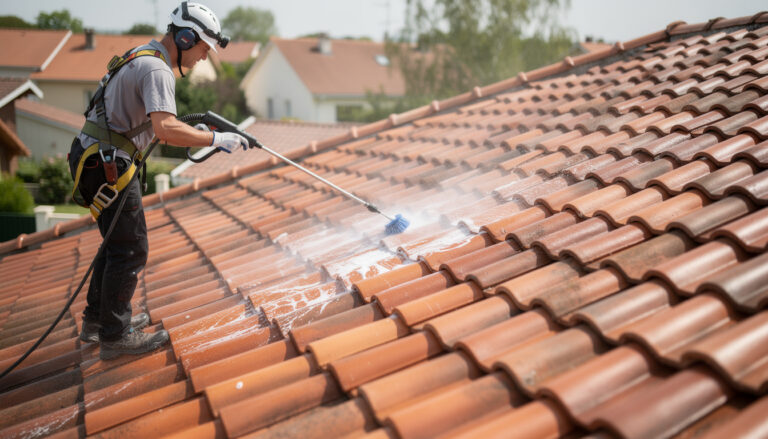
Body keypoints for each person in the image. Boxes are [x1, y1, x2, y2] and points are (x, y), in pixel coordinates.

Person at [68, 1, 248, 361]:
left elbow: (153, 121)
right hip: (109, 166)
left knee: (115, 244)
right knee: (131, 248)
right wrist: (215, 139)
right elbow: (165, 129)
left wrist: (192, 131)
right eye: (201, 49)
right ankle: (115, 336)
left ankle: (97, 322)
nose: (202, 59)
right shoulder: (157, 70)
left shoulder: (144, 54)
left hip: (93, 159)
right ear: (184, 37)